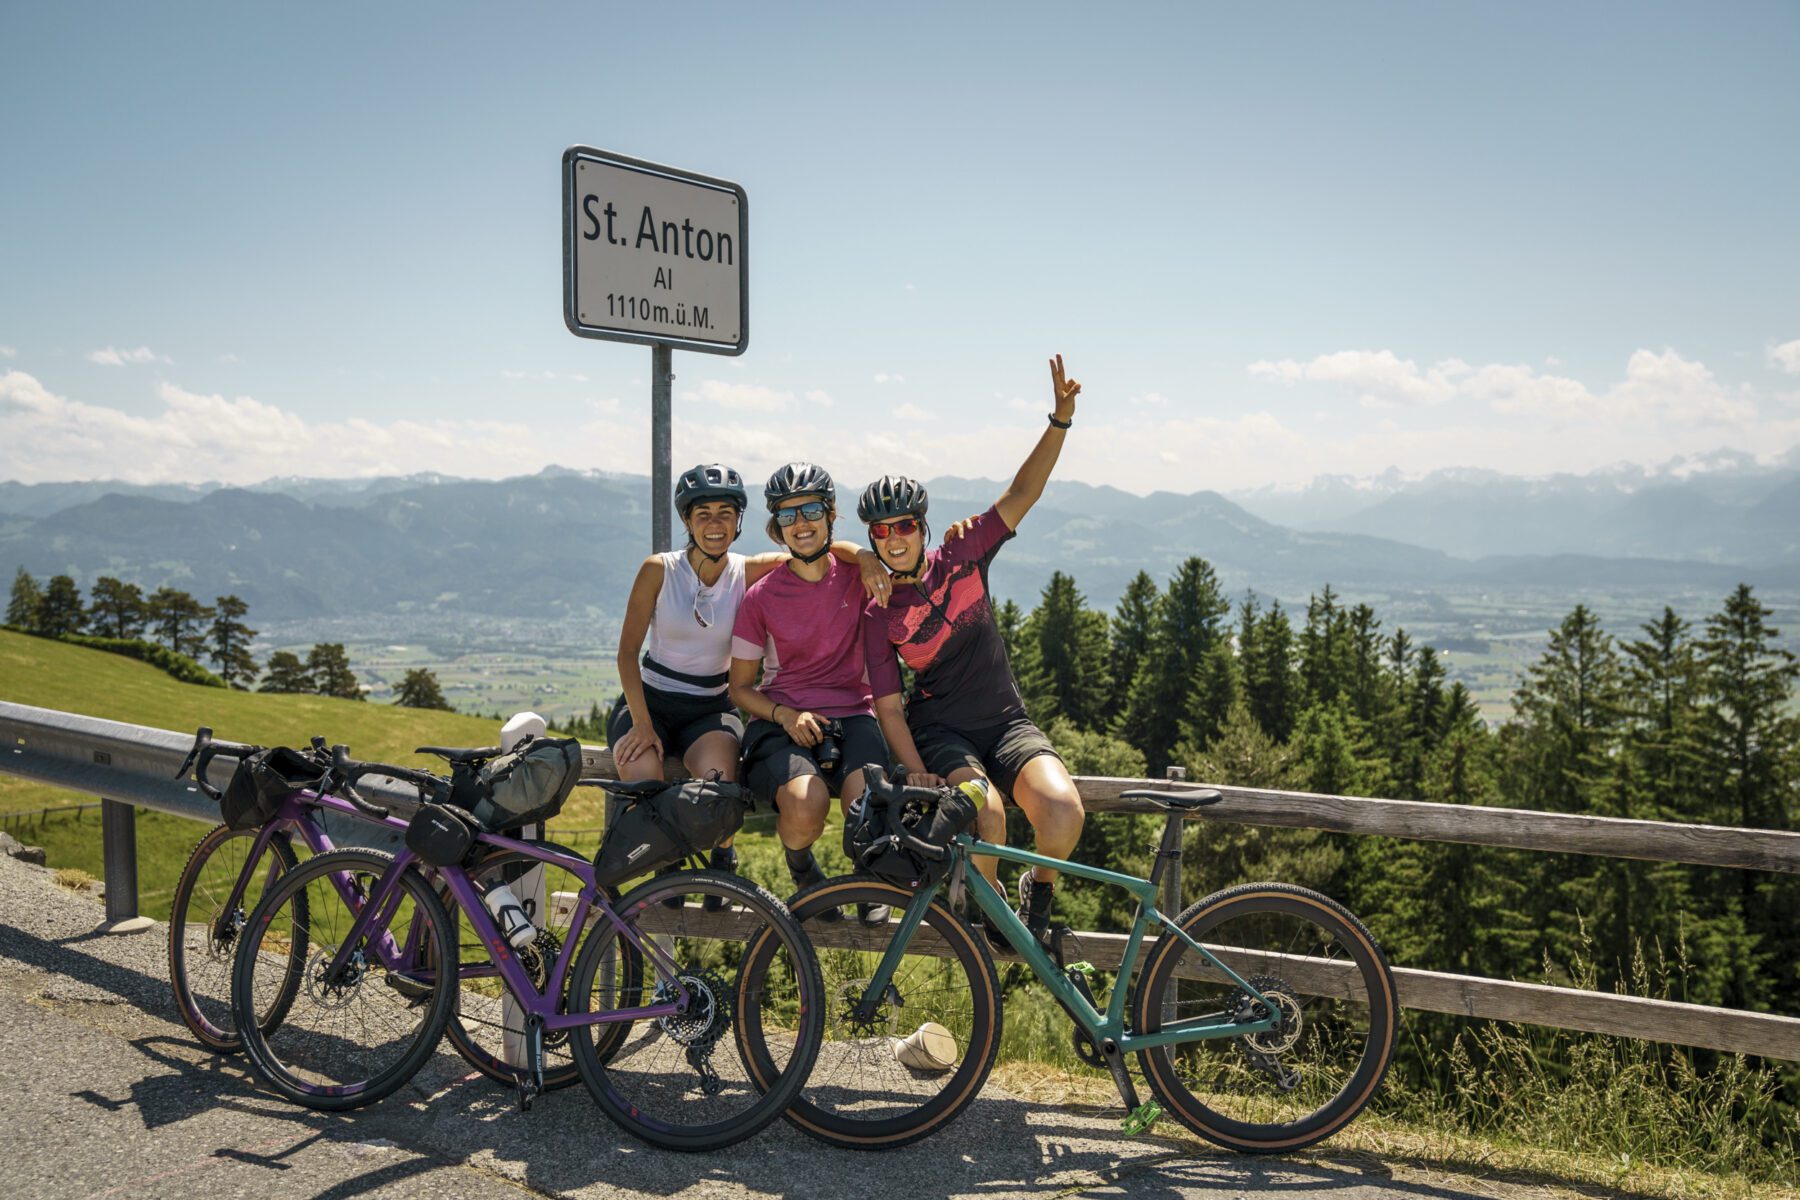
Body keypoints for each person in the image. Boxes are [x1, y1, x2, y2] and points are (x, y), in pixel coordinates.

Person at [860, 354, 1087, 945]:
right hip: (942, 732)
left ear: (922, 525)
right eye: (879, 532)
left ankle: (1037, 899)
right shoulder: (877, 612)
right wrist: (915, 768)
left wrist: (1058, 421)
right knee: (987, 815)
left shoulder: (964, 554)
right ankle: (988, 924)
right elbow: (888, 707)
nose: (893, 538)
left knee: (1063, 814)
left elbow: (1023, 493)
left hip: (1007, 722)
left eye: (903, 525)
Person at [609, 463, 889, 908]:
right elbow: (626, 654)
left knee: (721, 792)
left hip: (708, 706)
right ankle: (670, 868)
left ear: (740, 521)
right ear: (687, 521)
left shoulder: (747, 570)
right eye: (703, 514)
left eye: (725, 513)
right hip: (651, 702)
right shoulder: (659, 570)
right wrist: (641, 725)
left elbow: (814, 546)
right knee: (646, 785)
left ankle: (722, 856)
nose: (715, 524)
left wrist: (867, 555)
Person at [729, 463, 892, 925]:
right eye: (787, 515)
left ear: (831, 514)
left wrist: (863, 556)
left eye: (811, 510)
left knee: (869, 806)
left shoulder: (858, 575)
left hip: (852, 713)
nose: (801, 523)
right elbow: (739, 687)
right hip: (781, 718)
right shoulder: (760, 598)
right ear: (776, 527)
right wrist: (783, 715)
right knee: (805, 804)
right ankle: (801, 869)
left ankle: (868, 877)